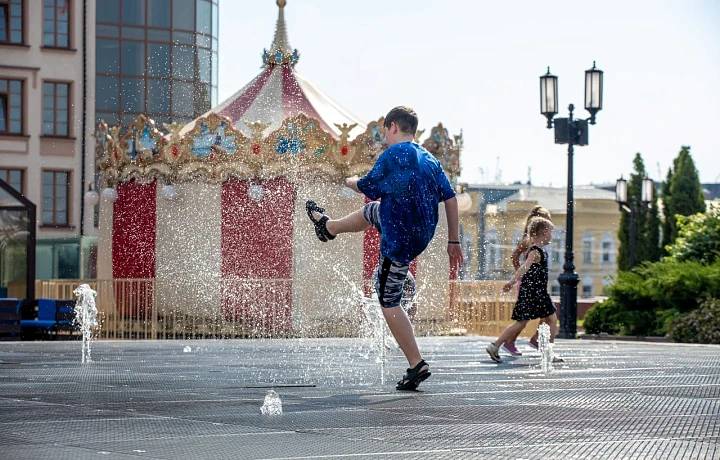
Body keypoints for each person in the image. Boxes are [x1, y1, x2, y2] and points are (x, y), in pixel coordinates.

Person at [305, 106, 463, 390]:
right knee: (373, 211)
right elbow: (450, 200)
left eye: (384, 132)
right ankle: (329, 228)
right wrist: (454, 241)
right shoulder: (430, 159)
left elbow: (366, 185)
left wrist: (350, 180)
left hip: (398, 238)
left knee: (387, 298)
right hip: (419, 232)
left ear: (392, 127)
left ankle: (416, 363)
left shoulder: (393, 154)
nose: (384, 138)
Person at [486, 216, 562, 363]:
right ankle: (548, 353)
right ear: (543, 232)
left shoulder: (537, 250)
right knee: (552, 318)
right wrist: (511, 281)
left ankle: (495, 345)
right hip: (536, 292)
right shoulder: (536, 251)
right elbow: (525, 267)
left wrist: (512, 282)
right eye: (550, 232)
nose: (551, 235)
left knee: (521, 322)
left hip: (530, 292)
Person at [501, 206, 553, 357]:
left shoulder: (539, 241)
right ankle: (510, 342)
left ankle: (532, 340)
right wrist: (522, 275)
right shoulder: (528, 241)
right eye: (547, 219)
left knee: (539, 315)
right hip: (527, 283)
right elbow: (514, 256)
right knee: (525, 318)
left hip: (534, 284)